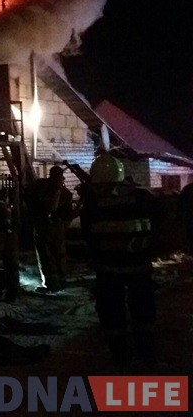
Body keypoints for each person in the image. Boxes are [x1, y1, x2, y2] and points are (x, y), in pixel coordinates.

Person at [80, 152, 162, 368]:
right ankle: (145, 351)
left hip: (108, 270)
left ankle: (120, 354)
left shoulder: (92, 204)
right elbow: (161, 223)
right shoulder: (143, 198)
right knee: (143, 309)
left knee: (111, 312)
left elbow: (88, 236)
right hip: (139, 267)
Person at [24, 165, 73, 291]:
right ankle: (61, 282)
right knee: (59, 255)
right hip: (56, 227)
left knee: (46, 256)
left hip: (44, 227)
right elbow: (68, 213)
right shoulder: (65, 192)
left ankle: (51, 284)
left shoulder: (41, 187)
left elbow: (30, 199)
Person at [179, 181, 193, 254]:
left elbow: (181, 204)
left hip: (189, 216)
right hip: (189, 216)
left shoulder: (188, 188)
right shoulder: (188, 188)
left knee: (190, 235)